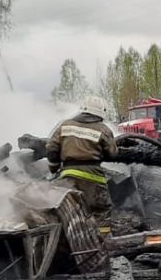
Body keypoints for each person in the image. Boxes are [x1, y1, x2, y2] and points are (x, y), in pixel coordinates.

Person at [46, 96, 118, 233]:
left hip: (67, 176)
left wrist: (53, 167)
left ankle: (65, 242)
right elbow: (112, 154)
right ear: (101, 113)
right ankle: (101, 243)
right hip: (93, 178)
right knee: (101, 210)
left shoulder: (64, 125)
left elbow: (51, 148)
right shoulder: (104, 129)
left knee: (66, 211)